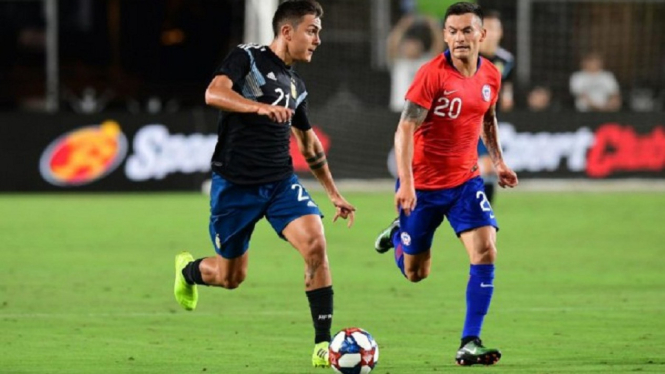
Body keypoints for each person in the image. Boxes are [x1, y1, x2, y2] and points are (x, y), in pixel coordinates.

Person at [172, 0, 355, 369]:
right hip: (235, 186)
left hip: (279, 184)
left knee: (316, 245)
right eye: (312, 30)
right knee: (230, 277)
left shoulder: (296, 85)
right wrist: (258, 108)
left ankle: (323, 345)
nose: (318, 39)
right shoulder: (247, 58)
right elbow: (214, 93)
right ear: (287, 31)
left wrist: (333, 193)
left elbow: (310, 145)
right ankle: (188, 272)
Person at [374, 2, 518, 366]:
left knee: (485, 249)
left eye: (467, 30)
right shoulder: (432, 74)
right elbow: (404, 128)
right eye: (452, 31)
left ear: (481, 35)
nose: (459, 38)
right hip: (421, 187)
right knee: (415, 273)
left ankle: (470, 341)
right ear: (445, 36)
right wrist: (406, 183)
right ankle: (399, 238)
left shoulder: (490, 75)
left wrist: (498, 161)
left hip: (466, 182)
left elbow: (488, 117)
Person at [477, 10, 515, 204]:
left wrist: (507, 96)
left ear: (500, 32)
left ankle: (484, 210)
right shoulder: (468, 56)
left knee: (489, 167)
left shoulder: (506, 60)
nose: (491, 33)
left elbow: (506, 84)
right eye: (487, 28)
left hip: (487, 122)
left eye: (495, 28)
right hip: (464, 121)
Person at [388, 14, 444, 112]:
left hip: (422, 111)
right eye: (408, 45)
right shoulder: (399, 63)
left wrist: (433, 26)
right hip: (399, 109)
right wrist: (402, 26)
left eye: (414, 45)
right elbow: (392, 45)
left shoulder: (426, 63)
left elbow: (439, 47)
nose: (410, 48)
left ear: (421, 48)